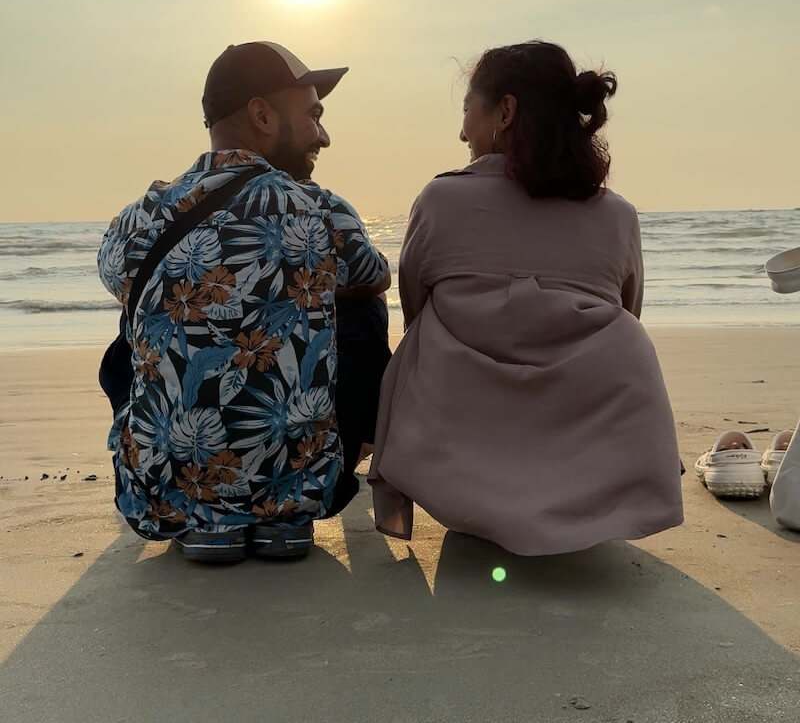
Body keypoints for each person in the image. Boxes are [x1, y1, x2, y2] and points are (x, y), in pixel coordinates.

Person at [369, 40, 683, 555]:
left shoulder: (441, 199)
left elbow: (414, 303)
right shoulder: (619, 215)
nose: (461, 129)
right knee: (620, 338)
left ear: (505, 111)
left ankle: (482, 493)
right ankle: (576, 498)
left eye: (468, 109)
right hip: (584, 442)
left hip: (460, 443)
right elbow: (629, 311)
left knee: (428, 333)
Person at [98, 41, 390, 563]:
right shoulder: (324, 212)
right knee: (364, 307)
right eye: (313, 115)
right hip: (306, 489)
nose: (324, 135)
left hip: (161, 496)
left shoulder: (138, 219)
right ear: (261, 114)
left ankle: (201, 517)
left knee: (139, 319)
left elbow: (114, 278)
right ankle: (285, 513)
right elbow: (377, 277)